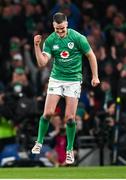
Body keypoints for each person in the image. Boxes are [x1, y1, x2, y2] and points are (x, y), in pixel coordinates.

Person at [31, 12, 100, 164]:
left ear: (67, 24)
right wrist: (37, 46)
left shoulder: (78, 37)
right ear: (53, 26)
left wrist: (95, 76)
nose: (60, 31)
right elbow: (42, 63)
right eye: (57, 29)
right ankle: (39, 142)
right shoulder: (50, 40)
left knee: (69, 117)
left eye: (62, 28)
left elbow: (91, 55)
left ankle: (69, 150)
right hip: (56, 79)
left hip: (73, 80)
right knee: (48, 112)